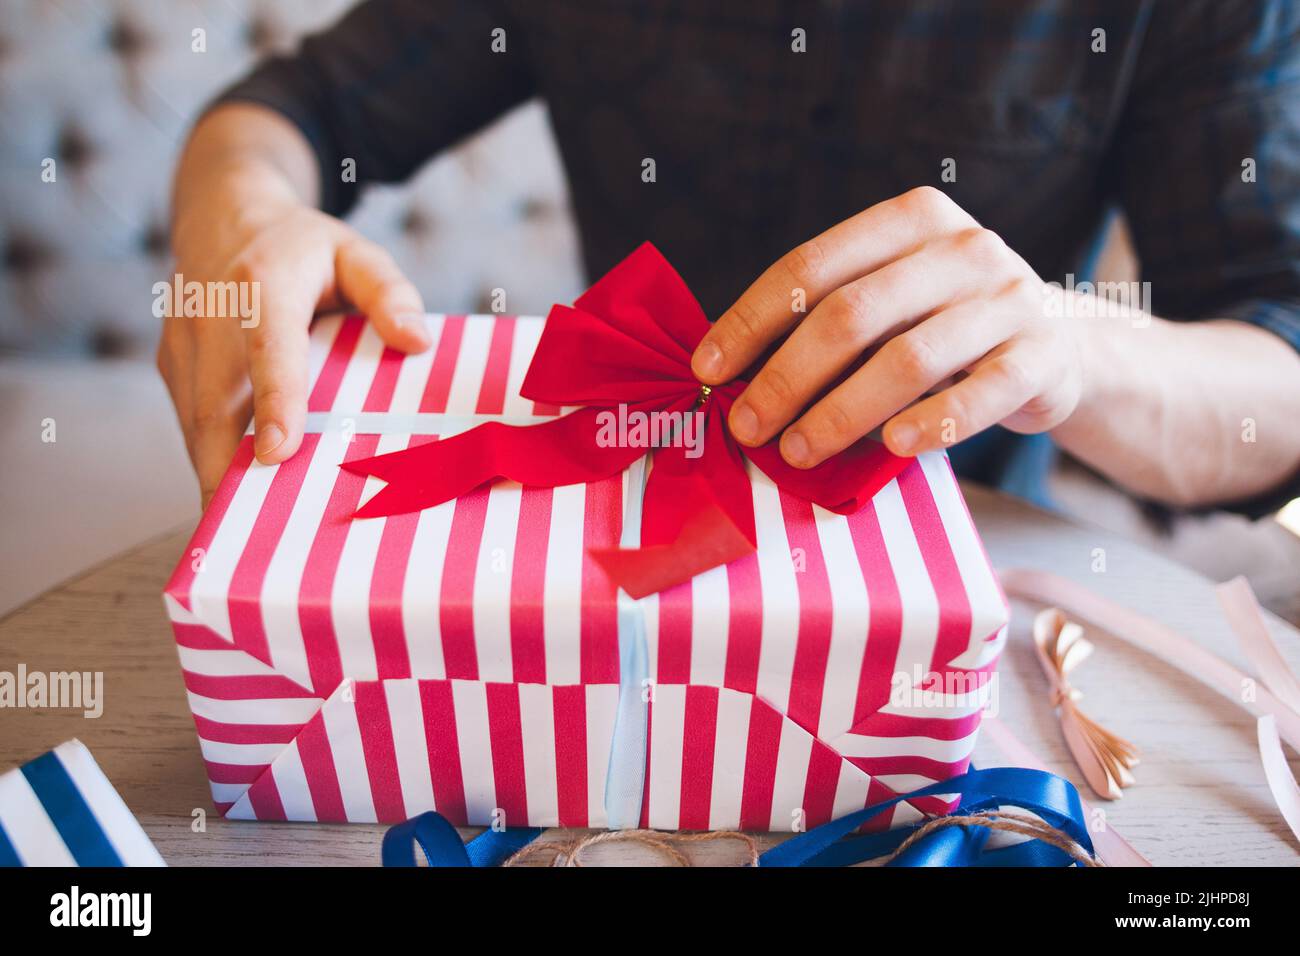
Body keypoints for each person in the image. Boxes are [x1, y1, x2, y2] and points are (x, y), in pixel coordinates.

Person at [162, 1, 1300, 520]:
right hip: (588, 519)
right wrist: (251, 217)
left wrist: (1069, 345)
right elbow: (289, 110)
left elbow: (1281, 367)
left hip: (964, 569)